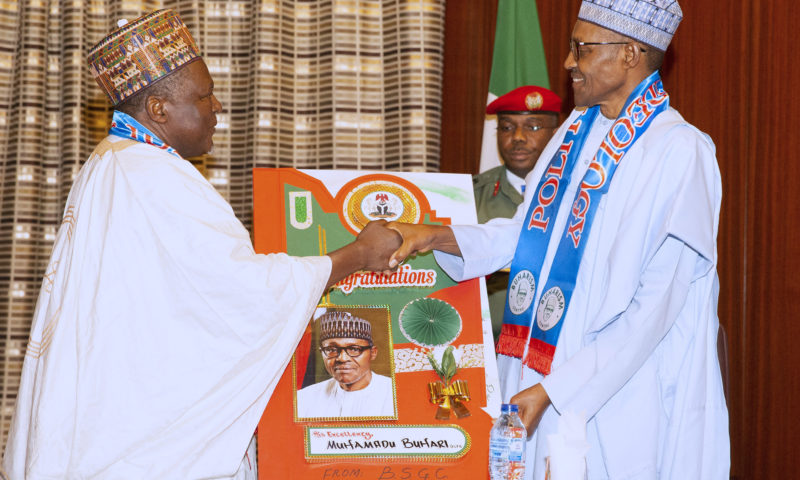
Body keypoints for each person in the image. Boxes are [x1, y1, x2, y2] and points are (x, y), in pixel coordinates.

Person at [2, 10, 400, 480]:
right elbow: (243, 293)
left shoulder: (111, 162)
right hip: (144, 446)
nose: (217, 107)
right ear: (158, 110)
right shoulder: (153, 175)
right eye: (204, 95)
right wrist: (357, 254)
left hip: (109, 418)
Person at [386, 1, 730, 478]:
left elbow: (655, 310)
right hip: (534, 368)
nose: (568, 62)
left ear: (629, 53)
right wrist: (437, 237)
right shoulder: (574, 130)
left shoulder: (679, 151)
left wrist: (557, 389)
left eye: (581, 48)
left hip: (617, 395)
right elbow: (526, 235)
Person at [473, 86, 561, 341]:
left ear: (556, 134)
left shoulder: (578, 194)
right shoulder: (471, 195)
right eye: (507, 127)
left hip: (556, 350)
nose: (518, 137)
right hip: (489, 347)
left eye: (532, 127)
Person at [296, 311, 395, 418]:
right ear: (322, 353)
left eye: (354, 349)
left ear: (373, 353)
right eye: (331, 349)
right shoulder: (303, 399)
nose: (342, 358)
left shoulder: (394, 395)